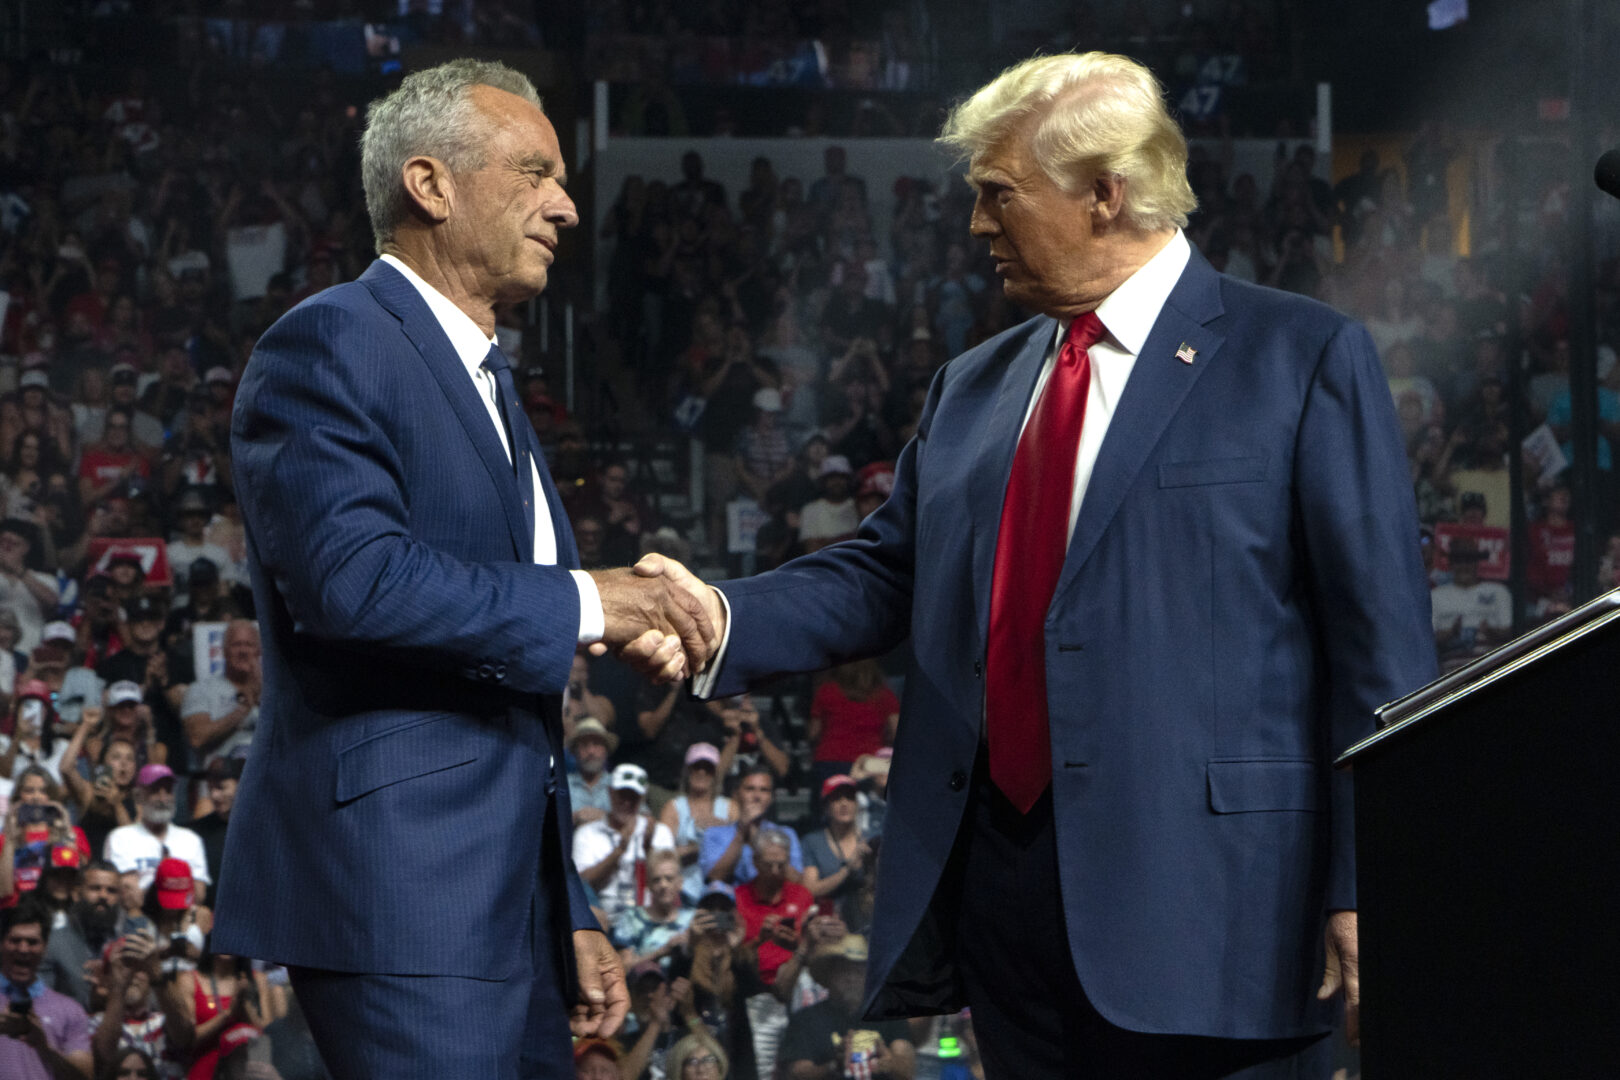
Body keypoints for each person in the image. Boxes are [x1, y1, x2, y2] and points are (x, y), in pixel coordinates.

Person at [653, 51, 1436, 1078]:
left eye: (998, 195)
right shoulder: (975, 388)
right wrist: (716, 615)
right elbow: (887, 574)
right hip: (1011, 917)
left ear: (1105, 192)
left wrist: (1368, 881)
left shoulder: (1298, 357)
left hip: (1225, 916)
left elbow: (1381, 650)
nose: (976, 225)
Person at [213, 59, 717, 1077]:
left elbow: (500, 702)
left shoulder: (486, 380)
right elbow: (355, 583)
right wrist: (593, 598)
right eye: (533, 173)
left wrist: (562, 906)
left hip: (503, 905)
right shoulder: (330, 343)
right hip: (401, 891)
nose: (567, 207)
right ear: (430, 185)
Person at [778, 934, 915, 1080]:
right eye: (844, 971)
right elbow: (796, 1074)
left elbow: (906, 1069)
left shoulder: (889, 1016)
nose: (851, 978)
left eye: (858, 971)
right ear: (830, 976)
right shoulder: (805, 1020)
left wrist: (890, 1064)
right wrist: (833, 1066)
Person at [0, 897, 95, 1080]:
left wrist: (43, 1046)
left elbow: (84, 1077)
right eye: (15, 940)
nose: (23, 949)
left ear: (44, 947)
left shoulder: (70, 1010)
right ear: (1, 944)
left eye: (32, 942)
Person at [572, 764, 676, 921]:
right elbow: (582, 886)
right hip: (603, 917)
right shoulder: (587, 834)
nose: (627, 802)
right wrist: (618, 852)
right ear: (610, 792)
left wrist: (648, 849)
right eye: (622, 795)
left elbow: (668, 885)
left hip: (648, 918)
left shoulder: (659, 832)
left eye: (633, 796)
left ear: (642, 798)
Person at [102, 766, 207, 900]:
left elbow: (198, 896)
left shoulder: (191, 840)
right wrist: (167, 876)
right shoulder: (121, 838)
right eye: (155, 791)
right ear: (138, 796)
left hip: (182, 916)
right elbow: (129, 897)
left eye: (168, 791)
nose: (163, 799)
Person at [658, 743, 736, 904]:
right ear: (688, 771)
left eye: (708, 768)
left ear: (715, 773)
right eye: (696, 767)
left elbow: (740, 848)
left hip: (721, 892)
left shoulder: (730, 808)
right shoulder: (673, 808)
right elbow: (662, 856)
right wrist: (701, 847)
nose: (702, 772)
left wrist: (724, 829)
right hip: (683, 890)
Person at [699, 765, 802, 887]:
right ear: (736, 794)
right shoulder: (714, 833)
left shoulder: (786, 834)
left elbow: (796, 880)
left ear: (771, 798)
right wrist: (741, 833)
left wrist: (757, 841)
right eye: (750, 789)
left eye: (764, 790)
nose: (757, 796)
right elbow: (714, 877)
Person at [565, 717, 616, 827]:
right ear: (575, 752)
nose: (591, 751)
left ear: (606, 750)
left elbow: (643, 821)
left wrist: (605, 817)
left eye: (596, 744)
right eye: (584, 745)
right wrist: (574, 818)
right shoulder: (563, 786)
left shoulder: (619, 785)